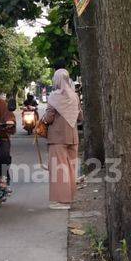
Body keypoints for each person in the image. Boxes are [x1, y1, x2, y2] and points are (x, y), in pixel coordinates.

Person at [41, 69, 82, 210]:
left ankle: (61, 201)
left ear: (56, 80)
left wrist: (45, 118)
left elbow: (49, 117)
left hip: (58, 138)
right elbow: (80, 117)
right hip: (73, 137)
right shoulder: (74, 96)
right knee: (71, 168)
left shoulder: (54, 96)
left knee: (59, 169)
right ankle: (70, 198)